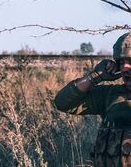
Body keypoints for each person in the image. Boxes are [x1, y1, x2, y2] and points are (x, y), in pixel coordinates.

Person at [54, 32, 131, 166]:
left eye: (130, 61)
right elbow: (62, 103)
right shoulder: (109, 95)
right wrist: (94, 77)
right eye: (121, 62)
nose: (124, 68)